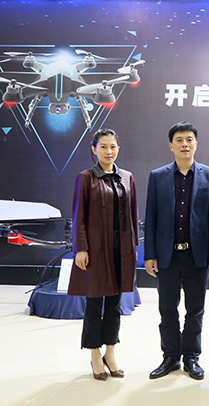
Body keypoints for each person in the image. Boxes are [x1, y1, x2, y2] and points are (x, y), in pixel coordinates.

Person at [144, 121, 209, 380]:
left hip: (197, 255)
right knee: (167, 309)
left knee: (195, 310)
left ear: (196, 144)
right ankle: (170, 357)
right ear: (171, 145)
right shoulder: (157, 176)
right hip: (167, 255)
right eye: (179, 140)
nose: (184, 144)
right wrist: (150, 254)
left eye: (189, 139)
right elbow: (151, 217)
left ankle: (191, 357)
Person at [68, 128, 138, 381]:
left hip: (122, 251)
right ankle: (95, 355)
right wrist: (81, 248)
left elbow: (132, 215)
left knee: (114, 304)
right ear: (94, 149)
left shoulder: (127, 177)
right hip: (96, 252)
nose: (109, 151)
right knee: (94, 303)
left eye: (113, 146)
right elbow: (78, 215)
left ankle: (111, 352)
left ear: (118, 148)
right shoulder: (85, 178)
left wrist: (133, 247)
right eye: (104, 147)